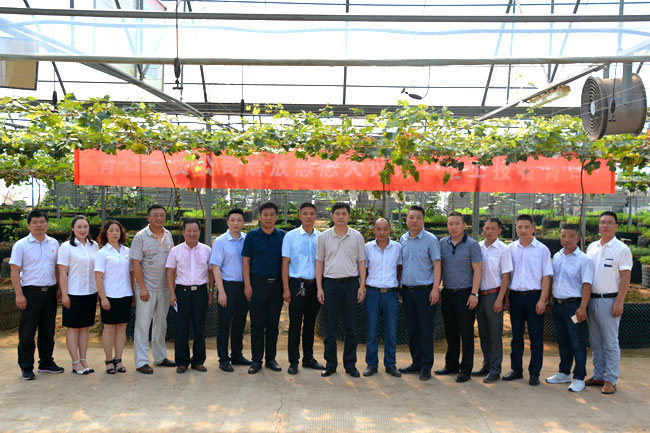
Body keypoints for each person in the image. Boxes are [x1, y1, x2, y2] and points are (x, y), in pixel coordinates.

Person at [10, 209, 64, 380]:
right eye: (35, 222)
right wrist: (19, 295)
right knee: (27, 333)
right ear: (29, 225)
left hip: (50, 293)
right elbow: (14, 270)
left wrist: (60, 289)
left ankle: (46, 362)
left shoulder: (54, 243)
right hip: (30, 293)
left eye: (42, 222)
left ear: (47, 224)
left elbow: (57, 269)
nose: (39, 225)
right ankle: (26, 366)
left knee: (48, 330)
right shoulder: (21, 245)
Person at [316, 202, 366, 378]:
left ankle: (350, 364)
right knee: (330, 327)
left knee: (351, 327)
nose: (340, 217)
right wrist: (319, 287)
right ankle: (330, 364)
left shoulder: (357, 237)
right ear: (332, 216)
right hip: (330, 285)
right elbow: (319, 262)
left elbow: (361, 262)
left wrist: (361, 286)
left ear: (349, 216)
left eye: (344, 213)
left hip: (351, 284)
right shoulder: (323, 237)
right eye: (337, 213)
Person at [585, 211, 632, 395]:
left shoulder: (621, 249)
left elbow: (626, 277)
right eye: (602, 222)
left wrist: (619, 302)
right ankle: (598, 375)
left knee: (610, 343)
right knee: (596, 342)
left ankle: (611, 379)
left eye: (609, 222)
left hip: (610, 301)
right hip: (592, 300)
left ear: (616, 226)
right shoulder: (592, 247)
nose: (605, 226)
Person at [503, 214, 553, 386]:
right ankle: (516, 369)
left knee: (536, 338)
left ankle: (534, 373)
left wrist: (542, 300)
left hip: (534, 297)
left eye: (526, 227)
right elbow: (507, 275)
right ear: (515, 228)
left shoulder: (542, 250)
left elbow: (546, 276)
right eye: (519, 227)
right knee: (516, 337)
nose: (523, 230)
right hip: (515, 297)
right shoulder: (510, 249)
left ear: (533, 228)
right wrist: (506, 297)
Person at [546, 223, 594, 392]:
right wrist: (549, 300)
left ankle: (579, 377)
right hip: (557, 305)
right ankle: (564, 372)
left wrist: (582, 307)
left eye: (570, 236)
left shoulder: (584, 260)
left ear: (578, 238)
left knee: (577, 342)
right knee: (562, 341)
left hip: (574, 306)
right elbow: (552, 280)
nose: (566, 240)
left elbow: (587, 285)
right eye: (563, 236)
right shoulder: (557, 256)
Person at [436, 211, 482, 383]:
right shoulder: (442, 243)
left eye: (457, 223)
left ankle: (466, 369)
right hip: (448, 293)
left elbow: (478, 270)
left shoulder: (472, 245)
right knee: (450, 332)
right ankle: (451, 365)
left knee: (466, 333)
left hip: (466, 294)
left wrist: (474, 293)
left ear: (464, 225)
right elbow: (439, 267)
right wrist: (438, 288)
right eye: (450, 224)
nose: (453, 227)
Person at [130, 203, 175, 374]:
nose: (159, 218)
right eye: (155, 215)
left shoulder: (168, 235)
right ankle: (141, 361)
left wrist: (172, 288)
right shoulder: (140, 237)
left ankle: (160, 357)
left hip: (164, 288)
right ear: (148, 218)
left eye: (162, 215)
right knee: (142, 325)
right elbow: (135, 263)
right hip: (146, 288)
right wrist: (142, 288)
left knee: (161, 324)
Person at [398, 205, 441, 381]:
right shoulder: (403, 239)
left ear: (423, 220)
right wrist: (400, 287)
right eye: (411, 217)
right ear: (406, 220)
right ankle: (416, 362)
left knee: (426, 331)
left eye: (418, 218)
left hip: (425, 292)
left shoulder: (431, 240)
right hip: (407, 292)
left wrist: (435, 289)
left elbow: (437, 264)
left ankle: (426, 366)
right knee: (413, 330)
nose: (414, 221)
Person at [281, 202, 325, 375]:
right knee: (295, 324)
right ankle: (293, 361)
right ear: (299, 216)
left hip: (315, 285)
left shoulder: (321, 237)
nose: (308, 216)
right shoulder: (290, 236)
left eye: (311, 213)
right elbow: (285, 263)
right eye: (305, 213)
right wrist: (286, 288)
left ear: (316, 216)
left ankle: (308, 358)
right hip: (296, 284)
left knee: (310, 324)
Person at [242, 202, 286, 374]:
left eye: (272, 215)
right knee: (257, 325)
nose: (268, 218)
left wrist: (286, 287)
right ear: (260, 217)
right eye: (265, 215)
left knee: (273, 325)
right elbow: (246, 261)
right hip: (257, 285)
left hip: (276, 286)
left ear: (276, 217)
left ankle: (271, 359)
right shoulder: (252, 236)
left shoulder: (283, 236)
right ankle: (256, 360)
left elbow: (285, 263)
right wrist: (247, 285)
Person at [166, 219, 213, 374]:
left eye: (195, 231)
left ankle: (198, 361)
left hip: (200, 292)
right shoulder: (176, 251)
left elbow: (211, 272)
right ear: (183, 232)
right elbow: (170, 273)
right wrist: (172, 293)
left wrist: (211, 291)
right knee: (181, 328)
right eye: (189, 231)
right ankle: (182, 362)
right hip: (182, 292)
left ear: (200, 232)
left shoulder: (207, 250)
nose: (192, 234)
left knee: (200, 328)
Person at [57, 215, 99, 375]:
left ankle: (83, 360)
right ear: (73, 229)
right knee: (73, 329)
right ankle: (75, 362)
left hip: (90, 292)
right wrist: (64, 294)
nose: (82, 230)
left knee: (85, 328)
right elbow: (62, 273)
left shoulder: (94, 245)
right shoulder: (66, 247)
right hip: (73, 293)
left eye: (85, 227)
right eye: (79, 227)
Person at [211, 208, 252, 372]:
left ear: (243, 222)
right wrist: (221, 291)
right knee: (224, 324)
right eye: (232, 220)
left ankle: (237, 354)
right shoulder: (220, 241)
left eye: (239, 220)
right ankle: (223, 358)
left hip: (244, 286)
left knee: (240, 323)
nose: (236, 223)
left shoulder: (247, 239)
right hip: (227, 286)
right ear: (227, 222)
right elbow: (215, 267)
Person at [473, 217, 512, 383]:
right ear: (483, 229)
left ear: (499, 231)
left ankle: (495, 370)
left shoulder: (503, 249)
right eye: (486, 228)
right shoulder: (478, 247)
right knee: (483, 334)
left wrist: (500, 299)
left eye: (493, 229)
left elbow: (506, 275)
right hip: (479, 295)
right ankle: (486, 365)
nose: (489, 231)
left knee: (495, 334)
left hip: (494, 295)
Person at [363, 218, 402, 378]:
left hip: (391, 294)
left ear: (390, 229)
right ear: (374, 230)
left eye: (385, 228)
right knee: (372, 331)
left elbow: (399, 269)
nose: (382, 232)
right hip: (372, 293)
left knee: (391, 332)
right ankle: (371, 364)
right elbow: (364, 269)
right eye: (378, 229)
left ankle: (390, 364)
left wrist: (398, 288)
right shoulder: (367, 248)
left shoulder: (397, 247)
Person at [94, 220, 134, 375]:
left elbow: (131, 274)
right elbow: (98, 277)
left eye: (117, 230)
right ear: (105, 233)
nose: (115, 233)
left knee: (122, 328)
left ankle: (118, 359)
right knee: (109, 328)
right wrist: (103, 298)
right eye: (111, 230)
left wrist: (133, 293)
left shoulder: (127, 251)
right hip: (110, 296)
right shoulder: (102, 253)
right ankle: (108, 360)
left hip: (125, 295)